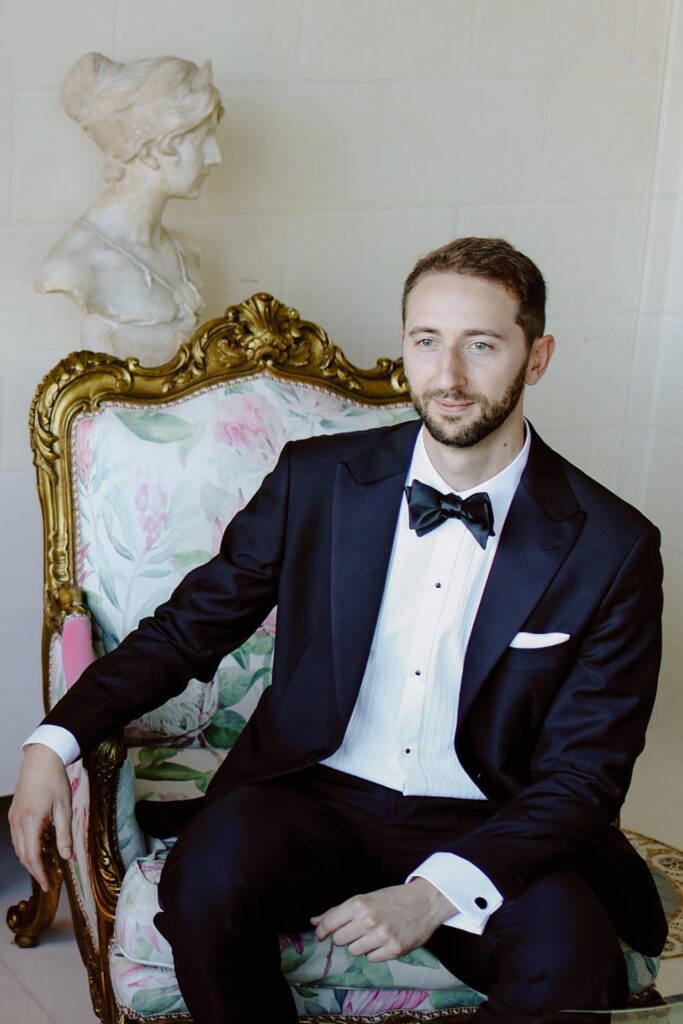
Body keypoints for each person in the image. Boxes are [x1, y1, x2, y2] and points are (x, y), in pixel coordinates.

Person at [11, 238, 667, 1024]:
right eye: (427, 341)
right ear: (405, 345)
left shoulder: (610, 544)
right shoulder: (316, 481)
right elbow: (187, 629)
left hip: (490, 813)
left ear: (536, 357)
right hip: (313, 791)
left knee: (571, 965)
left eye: (481, 345)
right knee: (206, 884)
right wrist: (55, 740)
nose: (448, 376)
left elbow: (582, 777)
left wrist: (434, 894)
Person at [35, 52, 223, 366]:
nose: (216, 156)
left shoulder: (186, 252)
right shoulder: (75, 264)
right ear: (150, 149)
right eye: (203, 138)